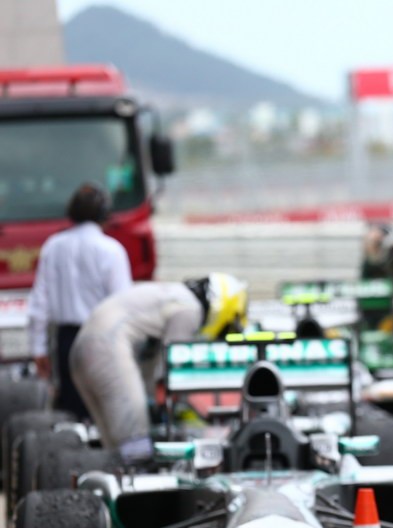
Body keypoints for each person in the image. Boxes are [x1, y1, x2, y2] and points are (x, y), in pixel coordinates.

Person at [70, 273, 248, 461]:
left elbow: (150, 364)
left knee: (114, 447)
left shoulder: (174, 296)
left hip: (83, 348)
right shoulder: (190, 310)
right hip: (107, 347)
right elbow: (173, 370)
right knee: (135, 445)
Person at [26, 182, 132, 419]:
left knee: (71, 410)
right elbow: (124, 306)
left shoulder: (53, 247)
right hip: (103, 339)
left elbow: (39, 304)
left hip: (67, 341)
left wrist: (38, 349)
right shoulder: (111, 250)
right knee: (106, 407)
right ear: (105, 214)